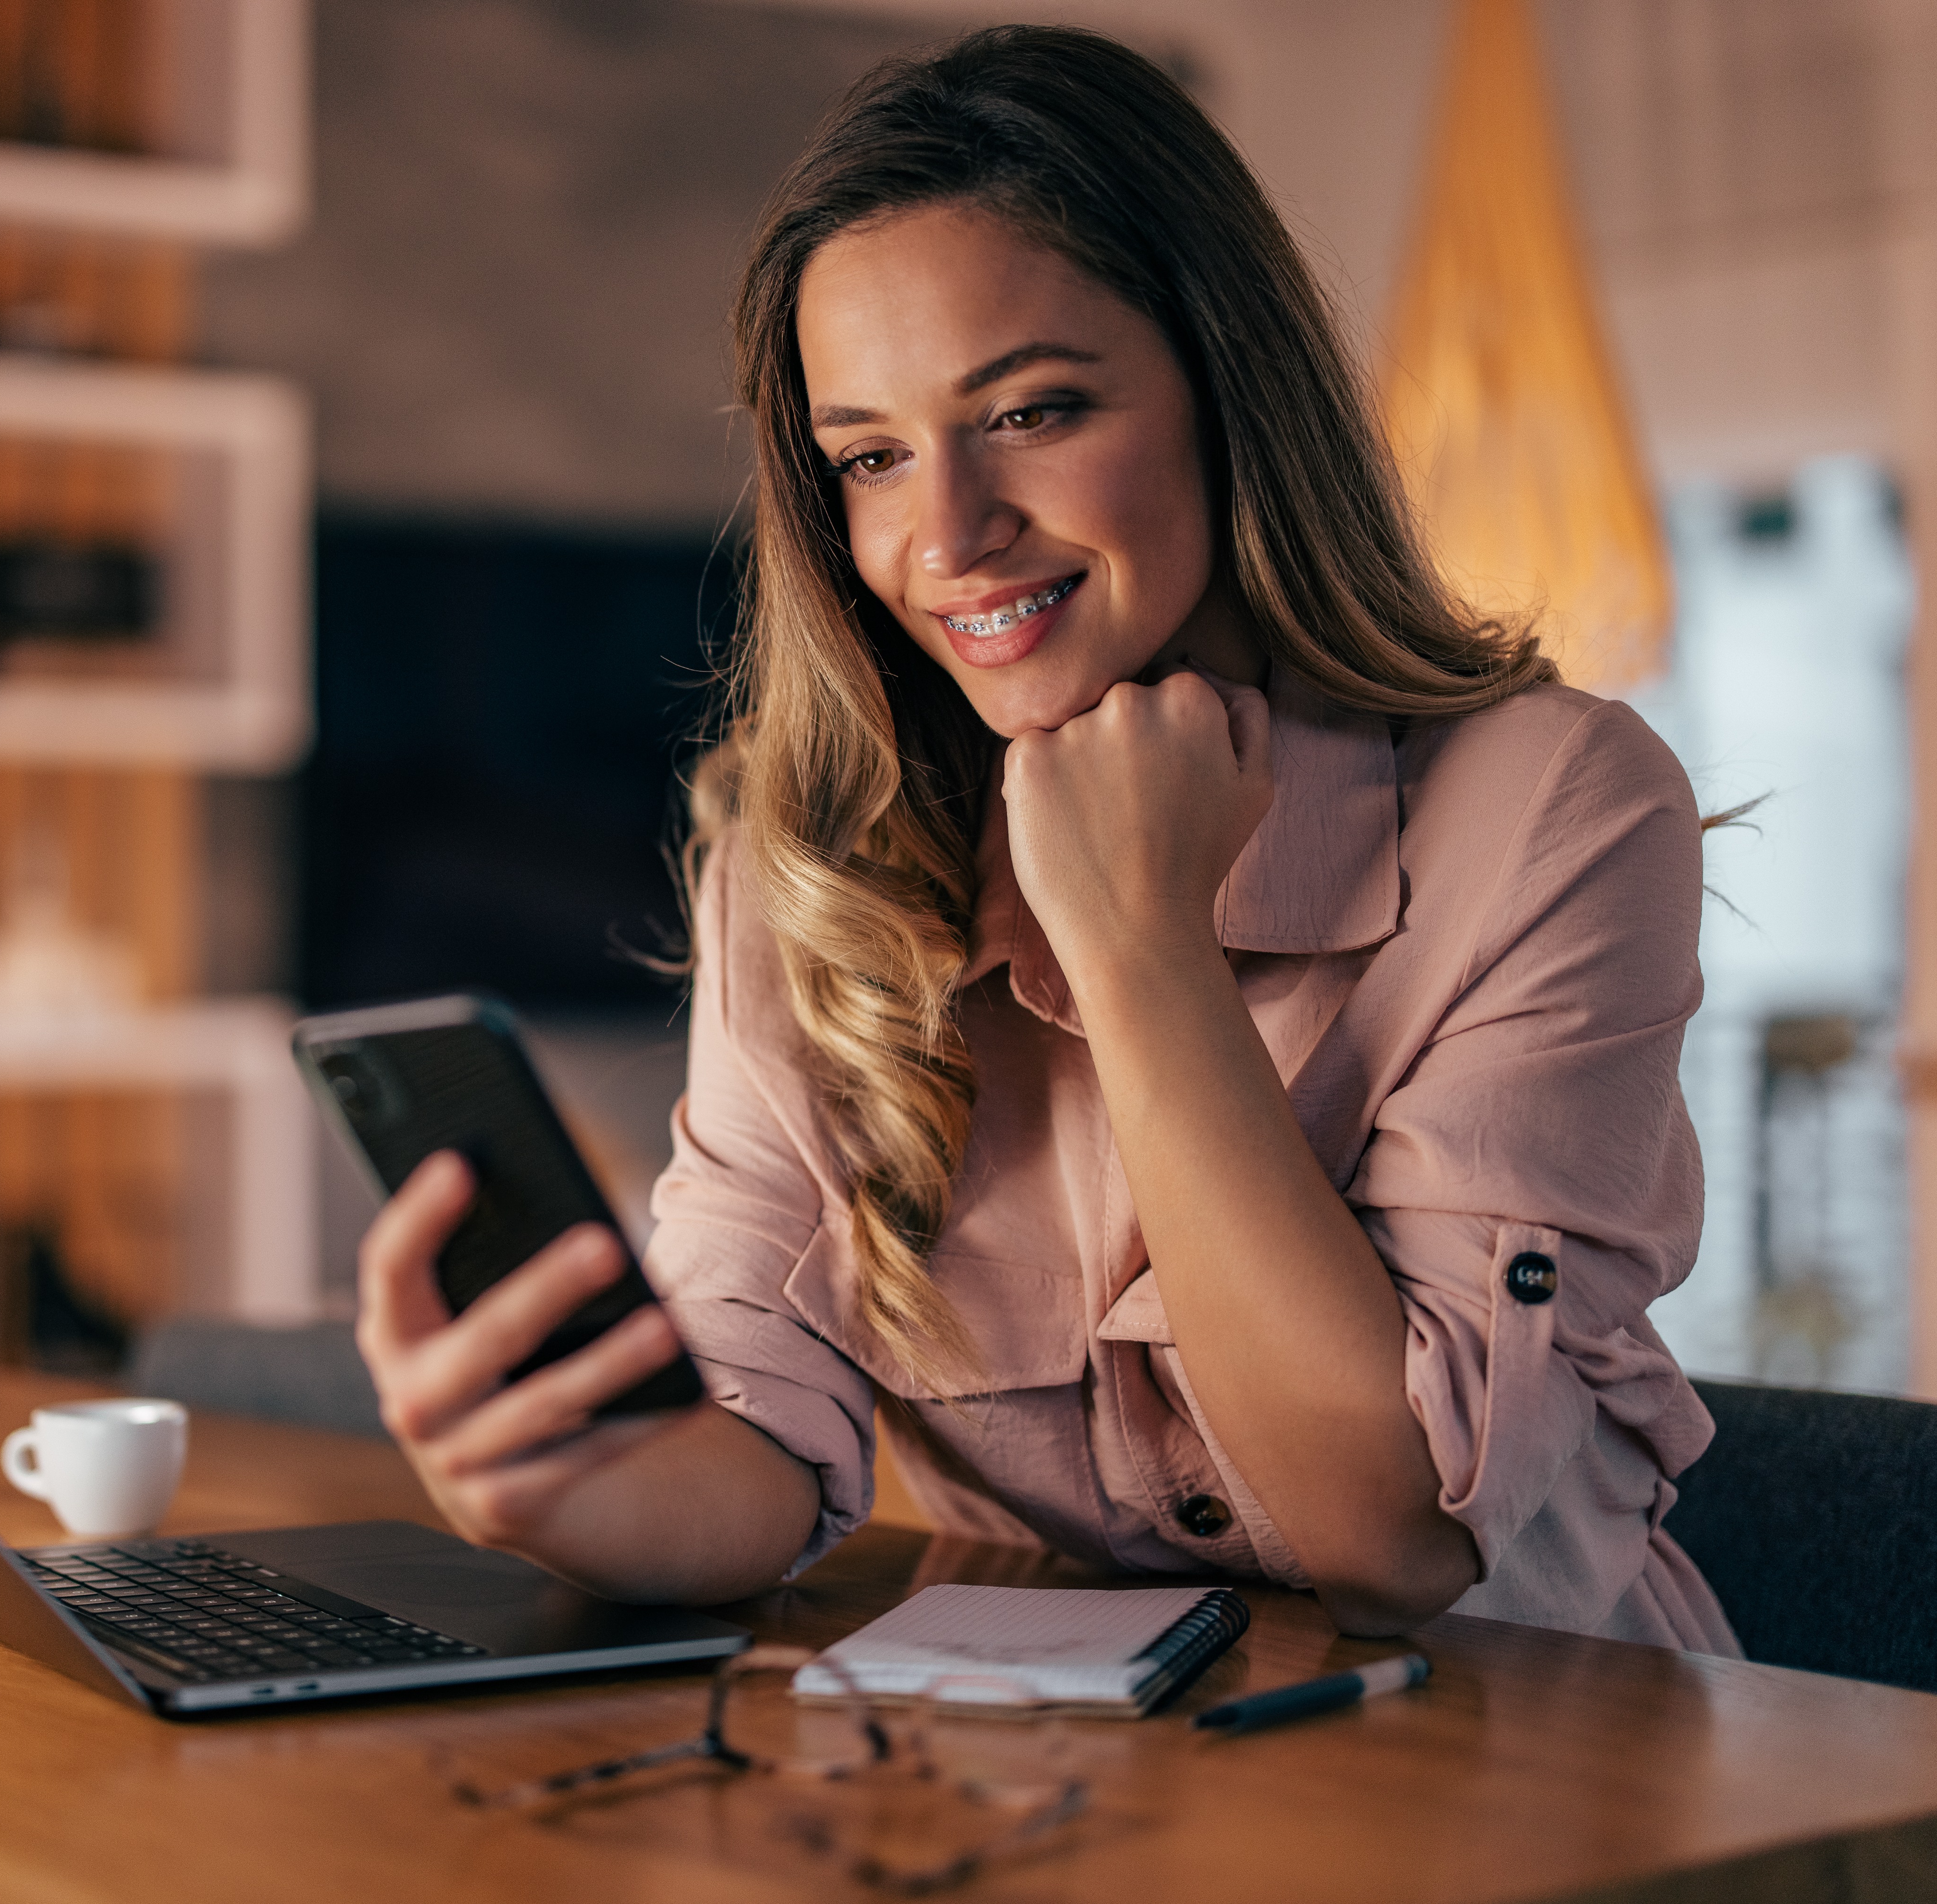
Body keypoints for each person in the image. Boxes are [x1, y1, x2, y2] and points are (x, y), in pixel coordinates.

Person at [350, 24, 1738, 1650]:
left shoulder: (1557, 808)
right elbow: (754, 1444)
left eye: (1030, 412)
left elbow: (1395, 1534)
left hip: (1547, 1775)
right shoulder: (806, 869)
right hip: (1067, 1791)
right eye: (869, 455)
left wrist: (1140, 945)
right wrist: (543, 1479)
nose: (945, 534)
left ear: (1226, 388)